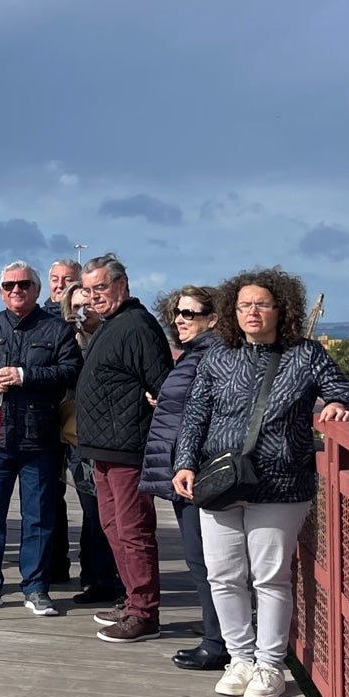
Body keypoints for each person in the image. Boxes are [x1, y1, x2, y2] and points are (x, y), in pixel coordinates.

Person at [174, 267, 349, 697]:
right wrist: (185, 463)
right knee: (223, 575)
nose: (252, 312)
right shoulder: (218, 356)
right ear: (232, 311)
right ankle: (239, 658)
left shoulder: (305, 354)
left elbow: (348, 392)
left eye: (262, 304)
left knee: (270, 578)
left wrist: (339, 402)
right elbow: (196, 414)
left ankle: (269, 665)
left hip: (280, 483)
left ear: (282, 309)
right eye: (244, 305)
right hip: (221, 481)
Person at [0, 261, 82, 616]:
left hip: (39, 438)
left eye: (24, 284)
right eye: (9, 285)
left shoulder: (56, 328)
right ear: (1, 291)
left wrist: (26, 375)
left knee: (38, 516)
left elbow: (70, 369)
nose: (16, 290)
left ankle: (36, 587)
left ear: (36, 290)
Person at [74, 255, 176, 644]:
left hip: (128, 448)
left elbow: (163, 385)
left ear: (122, 284)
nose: (94, 297)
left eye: (100, 288)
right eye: (89, 290)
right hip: (104, 448)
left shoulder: (137, 326)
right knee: (113, 527)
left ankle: (145, 613)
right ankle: (133, 601)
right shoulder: (112, 324)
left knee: (133, 531)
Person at [143, 285, 226, 672]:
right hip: (186, 470)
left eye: (189, 313)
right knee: (202, 559)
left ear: (213, 319)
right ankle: (218, 632)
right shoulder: (196, 354)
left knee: (204, 559)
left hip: (200, 472)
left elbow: (210, 409)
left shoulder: (212, 355)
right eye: (177, 312)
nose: (179, 319)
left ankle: (218, 642)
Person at [54, 285, 122, 605]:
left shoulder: (108, 338)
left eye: (89, 305)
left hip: (97, 436)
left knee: (97, 509)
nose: (83, 313)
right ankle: (85, 572)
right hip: (68, 434)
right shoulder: (64, 339)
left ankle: (99, 576)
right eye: (76, 307)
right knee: (75, 505)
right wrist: (67, 339)